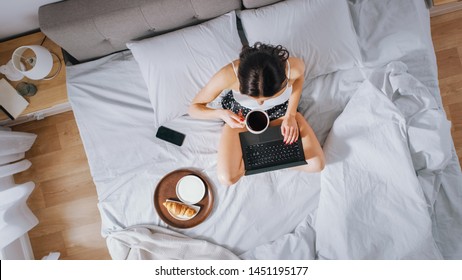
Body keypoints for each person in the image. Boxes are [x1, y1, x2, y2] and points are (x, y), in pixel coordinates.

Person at [189, 43, 325, 186]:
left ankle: (261, 158)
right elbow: (194, 108)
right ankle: (271, 158)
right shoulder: (228, 75)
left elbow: (299, 79)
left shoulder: (293, 68)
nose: (260, 103)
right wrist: (221, 114)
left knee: (317, 164)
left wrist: (290, 116)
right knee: (227, 178)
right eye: (254, 98)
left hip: (282, 114)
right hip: (241, 118)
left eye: (268, 98)